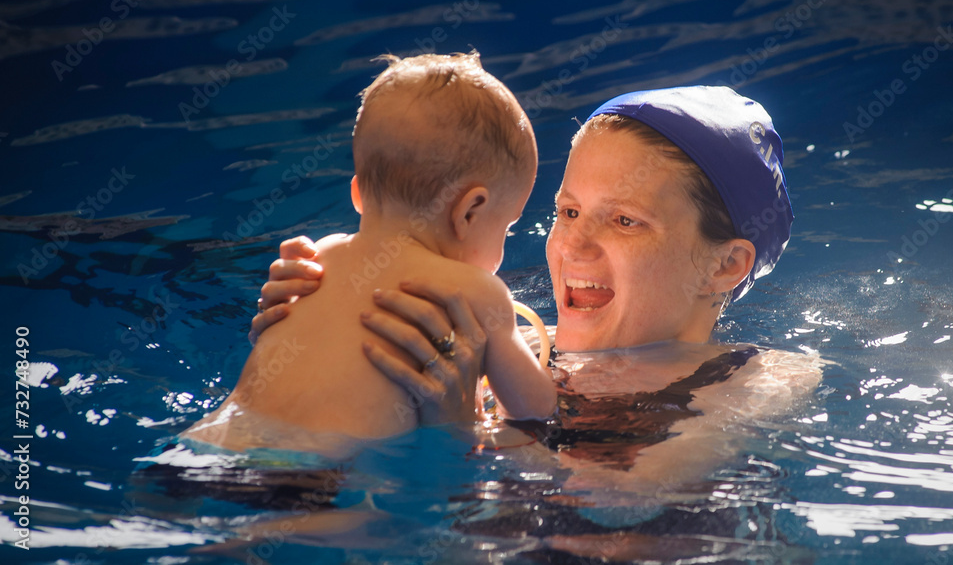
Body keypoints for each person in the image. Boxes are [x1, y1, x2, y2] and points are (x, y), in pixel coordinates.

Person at [252, 85, 821, 492]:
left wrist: (458, 426)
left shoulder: (756, 379)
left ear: (725, 265)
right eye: (568, 211)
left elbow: (618, 501)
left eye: (625, 220)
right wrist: (311, 320)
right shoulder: (502, 339)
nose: (573, 246)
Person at [183, 52, 556, 454]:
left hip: (205, 446)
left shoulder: (316, 259)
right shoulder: (478, 294)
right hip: (308, 472)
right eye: (507, 226)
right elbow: (537, 413)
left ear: (358, 193)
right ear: (469, 211)